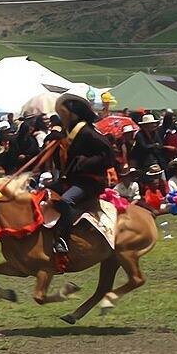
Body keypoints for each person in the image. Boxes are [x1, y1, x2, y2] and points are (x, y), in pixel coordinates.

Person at [51, 94, 114, 254]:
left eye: (63, 114)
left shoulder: (87, 132)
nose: (61, 117)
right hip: (73, 179)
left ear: (73, 114)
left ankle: (63, 239)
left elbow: (108, 155)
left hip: (89, 181)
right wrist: (56, 146)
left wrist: (84, 162)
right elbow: (63, 162)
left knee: (65, 201)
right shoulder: (69, 133)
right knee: (44, 194)